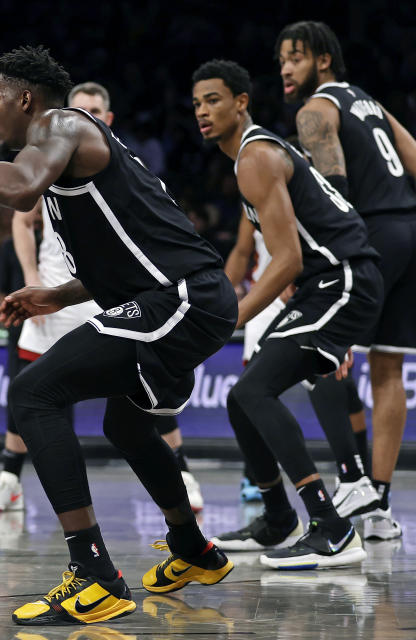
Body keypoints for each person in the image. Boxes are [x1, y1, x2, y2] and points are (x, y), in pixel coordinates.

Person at [0, 46, 237, 626]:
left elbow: (20, 188)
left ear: (27, 99)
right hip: (174, 296)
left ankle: (96, 575)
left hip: (183, 297)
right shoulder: (67, 155)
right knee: (124, 424)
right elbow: (121, 259)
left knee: (32, 393)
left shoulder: (63, 124)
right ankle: (194, 550)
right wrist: (57, 295)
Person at [0, 81, 205, 516]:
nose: (79, 117)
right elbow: (21, 223)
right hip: (57, 289)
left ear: (106, 118)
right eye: (75, 109)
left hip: (109, 289)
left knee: (142, 386)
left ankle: (181, 471)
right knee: (28, 384)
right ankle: (10, 479)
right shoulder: (43, 158)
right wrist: (32, 276)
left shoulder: (113, 166)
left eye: (92, 110)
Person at [192, 59, 381, 569]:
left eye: (213, 99)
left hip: (343, 278)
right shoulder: (250, 159)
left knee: (253, 390)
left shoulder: (256, 156)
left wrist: (230, 317)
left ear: (241, 102)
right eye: (196, 104)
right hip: (322, 285)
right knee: (242, 398)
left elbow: (288, 259)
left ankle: (331, 527)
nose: (203, 111)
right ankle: (278, 519)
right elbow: (292, 260)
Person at [277, 20, 416, 540]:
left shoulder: (315, 112)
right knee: (387, 367)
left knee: (315, 351)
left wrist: (314, 266)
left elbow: (332, 194)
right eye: (281, 59)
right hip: (408, 230)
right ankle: (378, 507)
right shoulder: (372, 104)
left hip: (370, 234)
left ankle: (352, 477)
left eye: (295, 57)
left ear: (323, 61)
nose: (286, 67)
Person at [224, 184, 377, 517]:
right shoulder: (255, 189)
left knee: (330, 380)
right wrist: (224, 296)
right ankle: (259, 481)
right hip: (268, 299)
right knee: (247, 395)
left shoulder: (314, 201)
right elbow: (240, 250)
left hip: (311, 293)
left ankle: (354, 477)